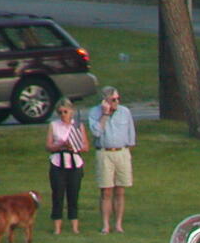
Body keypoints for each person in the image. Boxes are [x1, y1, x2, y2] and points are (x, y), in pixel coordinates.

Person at [87, 86, 135, 235]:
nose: (116, 102)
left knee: (120, 190)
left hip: (121, 152)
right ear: (105, 100)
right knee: (106, 191)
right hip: (104, 153)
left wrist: (127, 151)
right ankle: (106, 225)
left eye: (118, 99)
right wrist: (105, 114)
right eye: (113, 99)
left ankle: (118, 224)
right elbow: (96, 132)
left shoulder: (125, 112)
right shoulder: (94, 112)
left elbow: (131, 135)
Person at [45, 99, 88, 235]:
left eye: (65, 111)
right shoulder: (54, 125)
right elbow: (48, 145)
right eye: (60, 112)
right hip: (58, 162)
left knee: (73, 194)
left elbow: (85, 146)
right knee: (57, 195)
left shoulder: (78, 126)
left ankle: (75, 226)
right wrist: (60, 145)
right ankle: (57, 227)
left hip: (75, 162)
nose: (63, 114)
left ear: (71, 111)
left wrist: (73, 146)